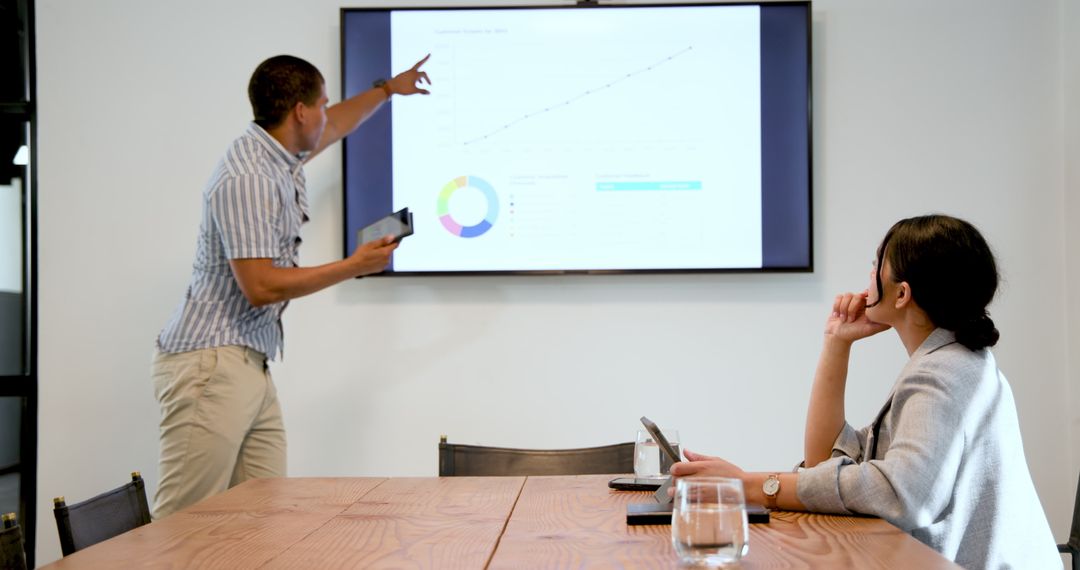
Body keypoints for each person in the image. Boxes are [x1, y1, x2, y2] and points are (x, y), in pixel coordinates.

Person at [671, 214, 1061, 569]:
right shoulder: (952, 361)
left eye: (878, 263)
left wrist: (755, 485)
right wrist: (836, 343)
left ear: (902, 294)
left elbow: (904, 493)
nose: (869, 272)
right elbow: (823, 458)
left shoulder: (943, 373)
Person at [150, 54, 431, 519]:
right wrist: (353, 265)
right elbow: (259, 286)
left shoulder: (277, 156)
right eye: (321, 103)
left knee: (260, 516)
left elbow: (337, 124)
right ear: (300, 111)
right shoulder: (249, 177)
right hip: (210, 365)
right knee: (184, 524)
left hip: (248, 363)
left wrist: (387, 89)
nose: (328, 111)